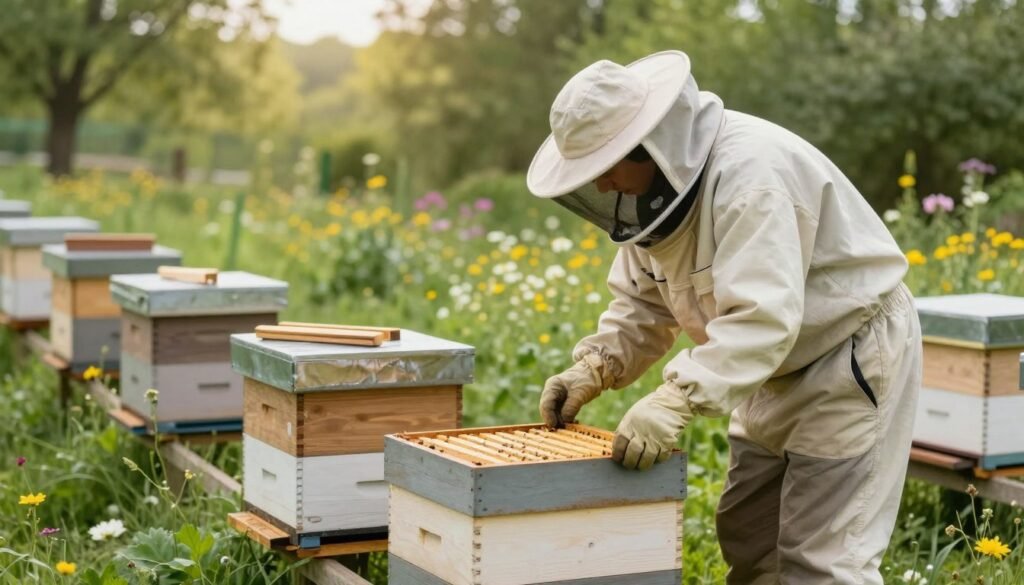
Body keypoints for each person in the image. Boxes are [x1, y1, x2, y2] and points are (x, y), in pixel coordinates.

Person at [526, 50, 922, 585]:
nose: (600, 187)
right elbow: (644, 301)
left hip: (843, 356)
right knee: (752, 541)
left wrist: (677, 397)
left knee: (824, 560)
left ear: (646, 146)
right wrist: (595, 366)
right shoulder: (653, 196)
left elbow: (762, 319)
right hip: (761, 368)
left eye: (604, 167)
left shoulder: (750, 179)